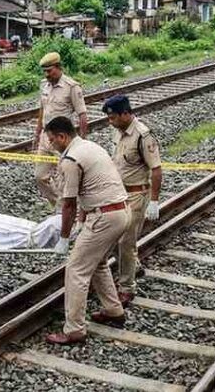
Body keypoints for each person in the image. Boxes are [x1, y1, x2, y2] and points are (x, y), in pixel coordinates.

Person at [43, 116, 130, 345]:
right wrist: (82, 221)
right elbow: (90, 188)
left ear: (62, 136)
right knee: (98, 262)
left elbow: (69, 204)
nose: (51, 144)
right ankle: (114, 310)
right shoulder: (89, 146)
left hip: (104, 216)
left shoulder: (71, 159)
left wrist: (64, 238)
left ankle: (74, 329)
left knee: (76, 269)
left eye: (52, 140)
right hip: (121, 210)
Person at [104, 95, 162, 305]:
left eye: (113, 117)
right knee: (112, 238)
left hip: (136, 196)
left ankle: (127, 288)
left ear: (126, 114)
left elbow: (156, 169)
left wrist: (154, 200)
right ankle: (133, 266)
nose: (110, 121)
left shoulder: (143, 136)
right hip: (117, 194)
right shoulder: (117, 131)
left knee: (125, 243)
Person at [32, 52, 88, 207]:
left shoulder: (72, 87)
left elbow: (82, 115)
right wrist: (37, 134)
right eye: (45, 71)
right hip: (46, 138)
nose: (47, 74)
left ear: (58, 67)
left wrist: (82, 141)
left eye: (49, 71)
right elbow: (42, 110)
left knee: (64, 178)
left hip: (62, 140)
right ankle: (59, 205)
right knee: (39, 176)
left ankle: (67, 208)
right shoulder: (44, 85)